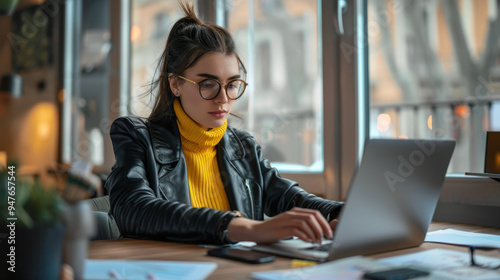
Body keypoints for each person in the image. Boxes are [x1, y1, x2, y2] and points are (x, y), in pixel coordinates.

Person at [105, 1, 343, 245]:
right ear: (175, 84)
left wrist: (342, 214)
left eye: (231, 85)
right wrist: (242, 228)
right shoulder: (136, 136)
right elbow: (133, 209)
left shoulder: (243, 147)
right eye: (208, 84)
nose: (223, 99)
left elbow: (289, 197)